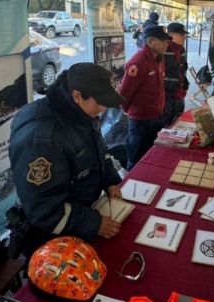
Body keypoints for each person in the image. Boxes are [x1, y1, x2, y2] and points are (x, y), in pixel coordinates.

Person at [9, 63, 125, 255]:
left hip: (84, 213)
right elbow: (43, 209)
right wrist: (93, 223)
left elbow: (99, 151)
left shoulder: (81, 112)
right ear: (77, 96)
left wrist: (110, 181)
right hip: (54, 237)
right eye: (99, 103)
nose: (104, 109)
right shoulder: (41, 138)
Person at [119, 25, 168, 170]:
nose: (167, 44)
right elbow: (124, 94)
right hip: (140, 122)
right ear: (151, 41)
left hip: (157, 116)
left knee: (153, 156)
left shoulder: (159, 58)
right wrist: (134, 113)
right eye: (163, 41)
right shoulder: (138, 62)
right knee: (136, 159)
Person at [162, 22, 190, 127]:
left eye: (184, 35)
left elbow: (182, 69)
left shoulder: (182, 49)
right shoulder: (164, 49)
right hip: (167, 97)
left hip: (179, 94)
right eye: (181, 35)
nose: (184, 37)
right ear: (171, 35)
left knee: (179, 122)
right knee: (167, 124)